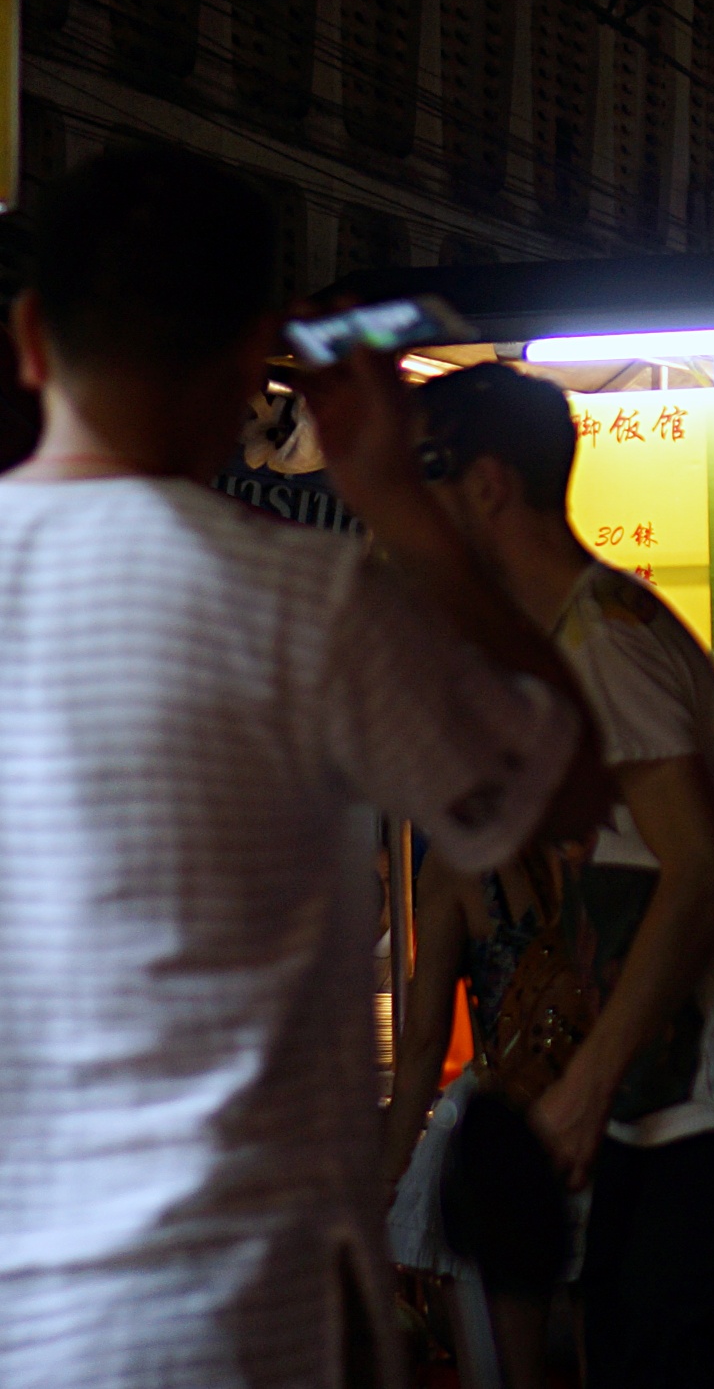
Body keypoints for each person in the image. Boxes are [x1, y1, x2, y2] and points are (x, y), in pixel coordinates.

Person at [0, 148, 603, 1387]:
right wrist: (396, 501)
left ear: (29, 338)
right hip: (255, 1317)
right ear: (251, 366)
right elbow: (564, 784)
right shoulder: (309, 601)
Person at [414, 363, 714, 1386]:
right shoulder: (570, 638)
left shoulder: (602, 641)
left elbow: (701, 873)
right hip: (678, 1106)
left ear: (487, 484)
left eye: (419, 469)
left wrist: (584, 1084)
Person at [381, 834, 589, 1385]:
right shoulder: (605, 836)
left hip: (506, 1117)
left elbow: (425, 1041)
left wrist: (388, 1173)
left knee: (508, 1361)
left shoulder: (459, 863)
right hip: (601, 1105)